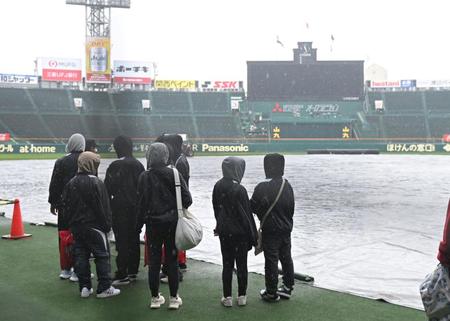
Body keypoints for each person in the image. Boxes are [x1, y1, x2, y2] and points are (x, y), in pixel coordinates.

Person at [137, 143, 192, 309]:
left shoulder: (144, 177)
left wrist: (138, 224)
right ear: (166, 155)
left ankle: (155, 298)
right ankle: (174, 298)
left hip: (153, 224)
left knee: (154, 262)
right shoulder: (174, 174)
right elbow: (187, 199)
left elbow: (140, 204)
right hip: (172, 223)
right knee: (172, 261)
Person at [62, 151, 120, 299]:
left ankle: (85, 287)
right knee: (102, 255)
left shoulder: (71, 183)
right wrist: (107, 225)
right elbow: (103, 207)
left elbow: (66, 206)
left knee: (81, 256)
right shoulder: (96, 182)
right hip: (95, 227)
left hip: (76, 227)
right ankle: (104, 287)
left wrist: (71, 224)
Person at [212, 157, 257, 307]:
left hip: (225, 233)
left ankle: (227, 297)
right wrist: (253, 237)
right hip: (241, 235)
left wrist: (220, 225)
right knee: (242, 265)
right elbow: (247, 215)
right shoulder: (240, 189)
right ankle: (242, 296)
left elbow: (216, 209)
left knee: (227, 264)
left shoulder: (217, 186)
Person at [250, 153, 295, 302]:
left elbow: (252, 207)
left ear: (266, 167)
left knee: (271, 261)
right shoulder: (287, 185)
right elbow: (291, 208)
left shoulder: (262, 187)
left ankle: (271, 292)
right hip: (286, 229)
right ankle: (288, 287)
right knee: (286, 258)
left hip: (271, 230)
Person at [105, 135, 145, 285]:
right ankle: (133, 271)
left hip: (120, 209)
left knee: (122, 241)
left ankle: (122, 273)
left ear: (117, 148)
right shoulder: (138, 165)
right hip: (136, 209)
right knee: (134, 240)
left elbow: (108, 189)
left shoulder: (116, 165)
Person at [48, 133, 85, 281]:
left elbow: (54, 185)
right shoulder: (86, 160)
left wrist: (53, 203)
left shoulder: (61, 161)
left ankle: (65, 269)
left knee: (64, 237)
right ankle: (78, 270)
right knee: (80, 237)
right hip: (81, 207)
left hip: (64, 206)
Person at [155, 134, 190, 275]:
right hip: (177, 203)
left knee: (175, 237)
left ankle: (174, 269)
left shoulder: (180, 161)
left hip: (177, 204)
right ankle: (177, 266)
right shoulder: (178, 159)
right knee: (175, 237)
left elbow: (181, 185)